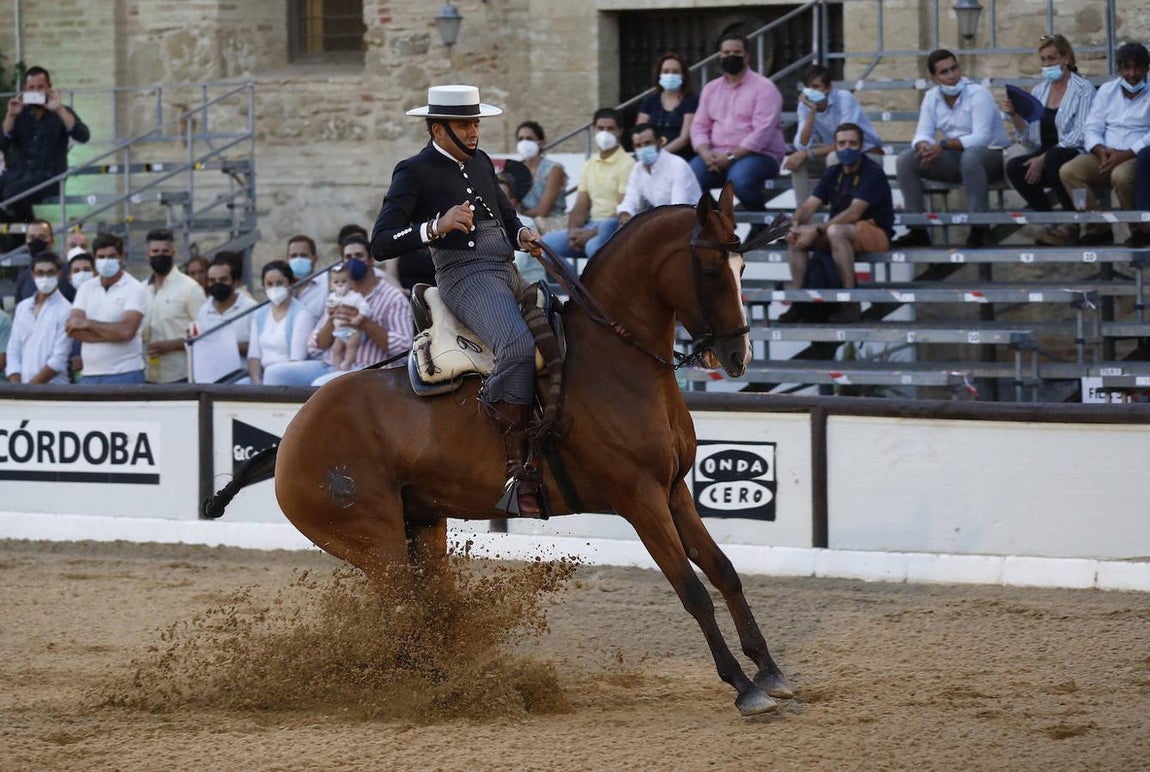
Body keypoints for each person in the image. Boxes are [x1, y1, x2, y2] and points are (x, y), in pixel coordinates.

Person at [369, 84, 544, 516]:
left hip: (507, 270)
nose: (473, 132)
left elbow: (505, 215)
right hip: (464, 278)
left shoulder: (481, 161)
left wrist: (522, 233)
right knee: (518, 347)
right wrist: (435, 226)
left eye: (476, 123)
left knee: (565, 334)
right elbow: (380, 242)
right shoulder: (413, 171)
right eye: (465, 124)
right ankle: (511, 467)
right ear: (437, 128)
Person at [894, 49, 1011, 248]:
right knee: (906, 159)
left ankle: (979, 228)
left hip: (990, 156)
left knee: (972, 157)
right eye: (944, 72)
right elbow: (922, 133)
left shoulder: (978, 94)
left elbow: (981, 138)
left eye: (954, 68)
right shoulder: (931, 97)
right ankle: (917, 229)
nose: (952, 75)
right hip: (957, 158)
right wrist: (924, 147)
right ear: (934, 78)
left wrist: (942, 145)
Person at [266, 231, 412, 387]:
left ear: (370, 261)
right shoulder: (338, 294)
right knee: (274, 374)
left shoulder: (393, 297)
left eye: (359, 255)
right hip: (331, 364)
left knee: (320, 385)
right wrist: (330, 321)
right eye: (348, 257)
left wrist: (365, 323)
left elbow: (403, 347)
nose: (353, 261)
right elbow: (315, 347)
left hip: (370, 369)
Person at [783, 122, 895, 324]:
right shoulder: (833, 172)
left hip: (874, 231)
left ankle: (850, 302)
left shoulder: (872, 172)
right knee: (797, 237)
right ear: (835, 146)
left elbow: (854, 212)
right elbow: (809, 205)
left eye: (852, 143)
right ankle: (798, 303)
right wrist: (794, 224)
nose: (847, 148)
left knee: (835, 231)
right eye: (842, 143)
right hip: (841, 231)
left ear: (861, 146)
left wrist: (817, 229)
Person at [1002, 34, 1096, 247]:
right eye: (1043, 60)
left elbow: (1079, 134)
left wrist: (1043, 158)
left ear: (1066, 58)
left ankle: (1072, 223)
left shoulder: (1083, 89)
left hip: (1074, 151)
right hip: (1046, 151)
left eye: (1051, 59)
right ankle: (1052, 222)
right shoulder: (1040, 90)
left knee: (1055, 157)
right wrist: (1015, 115)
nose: (1046, 64)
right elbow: (1029, 137)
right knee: (1016, 167)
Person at [689, 33, 786, 237]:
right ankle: (720, 222)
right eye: (726, 52)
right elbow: (699, 126)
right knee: (690, 177)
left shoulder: (764, 88)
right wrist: (705, 152)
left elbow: (763, 132)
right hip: (715, 154)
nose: (731, 56)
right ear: (719, 56)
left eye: (736, 52)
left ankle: (762, 225)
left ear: (747, 56)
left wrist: (731, 157)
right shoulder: (711, 89)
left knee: (739, 181)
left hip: (759, 155)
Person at [1058, 42, 1150, 247]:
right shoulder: (1107, 91)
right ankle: (1096, 225)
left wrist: (1125, 154)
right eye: (1126, 67)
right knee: (1069, 172)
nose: (1132, 73)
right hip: (1105, 155)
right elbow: (1092, 126)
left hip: (1135, 157)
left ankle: (1138, 230)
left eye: (1138, 68)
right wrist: (1100, 150)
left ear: (1146, 69)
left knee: (1122, 176)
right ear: (1119, 69)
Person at [539, 107, 634, 263]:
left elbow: (624, 210)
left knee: (592, 246)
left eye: (610, 129)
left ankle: (589, 287)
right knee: (545, 244)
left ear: (620, 131)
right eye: (600, 128)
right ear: (594, 130)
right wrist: (573, 231)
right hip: (591, 226)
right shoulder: (590, 164)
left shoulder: (628, 164)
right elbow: (580, 207)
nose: (605, 133)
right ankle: (573, 286)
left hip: (613, 228)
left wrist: (590, 234)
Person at [0, 66, 91, 223]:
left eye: (40, 87)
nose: (36, 91)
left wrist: (59, 108)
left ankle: (26, 234)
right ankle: (20, 236)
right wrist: (10, 116)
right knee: (11, 190)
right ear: (24, 90)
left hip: (48, 177)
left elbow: (83, 136)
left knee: (12, 192)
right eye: (31, 88)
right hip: (17, 175)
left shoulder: (62, 112)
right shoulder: (18, 114)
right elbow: (2, 144)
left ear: (49, 88)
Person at [783, 63, 884, 203]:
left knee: (834, 157)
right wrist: (811, 113)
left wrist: (807, 153)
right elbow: (801, 146)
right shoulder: (805, 105)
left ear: (828, 87)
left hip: (866, 152)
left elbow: (846, 141)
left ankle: (837, 208)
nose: (811, 91)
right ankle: (804, 217)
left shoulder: (844, 98)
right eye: (808, 87)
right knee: (796, 161)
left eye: (816, 87)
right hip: (836, 151)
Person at [64, 233, 147, 384]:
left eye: (111, 256)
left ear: (121, 256)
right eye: (101, 257)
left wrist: (88, 324)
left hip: (125, 374)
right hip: (88, 375)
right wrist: (114, 333)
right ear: (94, 259)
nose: (106, 261)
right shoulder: (86, 287)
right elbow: (73, 329)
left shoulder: (134, 288)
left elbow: (127, 331)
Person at [141, 228, 204, 383]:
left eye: (165, 251)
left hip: (180, 375)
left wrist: (172, 345)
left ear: (173, 253)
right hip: (147, 375)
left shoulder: (190, 288)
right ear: (147, 254)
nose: (160, 255)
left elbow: (205, 334)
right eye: (155, 251)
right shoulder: (141, 289)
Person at [616, 122, 702, 226]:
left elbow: (677, 208)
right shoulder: (637, 169)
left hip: (690, 222)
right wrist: (625, 214)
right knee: (610, 226)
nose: (643, 149)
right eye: (638, 145)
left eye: (648, 143)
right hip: (661, 219)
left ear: (660, 142)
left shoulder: (677, 165)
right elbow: (630, 199)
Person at [245, 261, 316, 385]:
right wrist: (256, 382)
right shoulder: (259, 315)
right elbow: (254, 355)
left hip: (289, 375)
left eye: (280, 283)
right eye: (269, 284)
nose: (274, 288)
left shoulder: (302, 315)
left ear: (290, 284)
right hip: (263, 375)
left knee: (273, 375)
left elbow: (297, 358)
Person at [6, 250, 71, 384]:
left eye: (50, 273)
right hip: (22, 388)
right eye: (40, 273)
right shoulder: (23, 307)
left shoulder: (67, 310)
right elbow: (13, 350)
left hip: (54, 388)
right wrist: (18, 388)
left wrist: (30, 390)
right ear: (33, 275)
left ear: (58, 275)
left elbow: (58, 360)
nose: (45, 277)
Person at [636, 52, 699, 161]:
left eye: (675, 72)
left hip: (680, 158)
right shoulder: (650, 101)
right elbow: (640, 131)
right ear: (659, 75)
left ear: (683, 75)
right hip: (651, 156)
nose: (670, 75)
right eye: (666, 71)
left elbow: (685, 138)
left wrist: (660, 154)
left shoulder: (691, 101)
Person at [194, 254, 258, 359]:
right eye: (212, 281)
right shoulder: (203, 311)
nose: (217, 284)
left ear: (235, 282)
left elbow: (259, 347)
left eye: (223, 280)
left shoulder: (251, 308)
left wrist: (226, 347)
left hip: (243, 373)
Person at [514, 121, 568, 232]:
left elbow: (543, 211)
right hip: (526, 225)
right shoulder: (515, 170)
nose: (524, 143)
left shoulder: (553, 170)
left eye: (529, 139)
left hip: (551, 225)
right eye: (520, 139)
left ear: (541, 143)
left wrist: (519, 213)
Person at [323, 262, 371, 371]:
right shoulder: (332, 297)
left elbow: (365, 308)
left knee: (351, 346)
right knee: (335, 349)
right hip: (339, 331)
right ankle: (337, 368)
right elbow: (329, 308)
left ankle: (347, 364)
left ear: (350, 283)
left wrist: (358, 319)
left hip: (353, 330)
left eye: (343, 281)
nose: (340, 285)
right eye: (336, 282)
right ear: (331, 285)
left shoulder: (354, 297)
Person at [15, 219, 75, 303]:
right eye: (32, 237)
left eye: (42, 237)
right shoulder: (23, 277)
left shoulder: (68, 273)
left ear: (52, 241)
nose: (36, 241)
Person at [284, 234, 327, 318]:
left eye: (303, 255)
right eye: (293, 256)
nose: (298, 259)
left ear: (315, 259)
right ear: (287, 259)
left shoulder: (325, 286)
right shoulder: (283, 287)